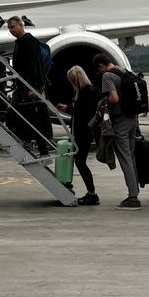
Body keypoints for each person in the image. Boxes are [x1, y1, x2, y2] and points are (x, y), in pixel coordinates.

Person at [94, 53, 141, 210]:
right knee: (131, 156)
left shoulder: (107, 76)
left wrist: (102, 101)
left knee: (124, 158)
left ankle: (133, 198)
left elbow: (114, 99)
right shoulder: (124, 71)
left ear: (101, 65)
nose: (99, 73)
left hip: (120, 120)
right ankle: (135, 191)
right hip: (132, 119)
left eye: (98, 70)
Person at [7, 16, 53, 156]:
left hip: (30, 87)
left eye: (13, 27)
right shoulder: (21, 42)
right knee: (26, 116)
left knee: (28, 117)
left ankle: (40, 147)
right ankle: (33, 143)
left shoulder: (28, 42)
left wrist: (32, 88)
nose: (11, 30)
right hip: (23, 87)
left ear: (21, 26)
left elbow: (33, 67)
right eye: (9, 28)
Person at [57, 65, 101, 205]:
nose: (73, 83)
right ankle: (91, 192)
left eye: (74, 80)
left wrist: (69, 109)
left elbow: (85, 112)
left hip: (85, 132)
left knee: (80, 161)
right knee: (79, 161)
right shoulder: (82, 91)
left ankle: (92, 193)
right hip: (80, 131)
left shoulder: (88, 91)